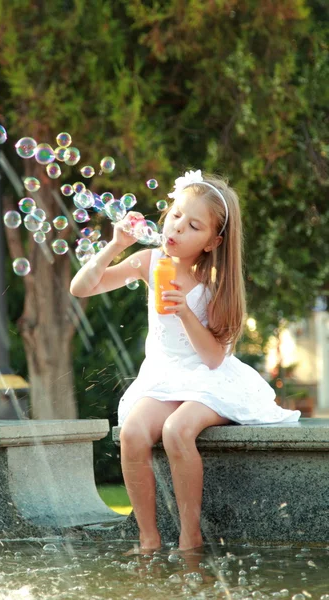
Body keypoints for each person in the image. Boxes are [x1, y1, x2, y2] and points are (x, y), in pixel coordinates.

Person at [70, 169, 301, 552]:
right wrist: (116, 245)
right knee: (131, 434)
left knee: (178, 431)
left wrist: (185, 313)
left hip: (209, 380)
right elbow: (82, 287)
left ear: (213, 241)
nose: (177, 227)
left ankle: (189, 535)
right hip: (164, 377)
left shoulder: (217, 285)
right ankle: (148, 539)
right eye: (176, 215)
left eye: (194, 225)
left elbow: (212, 358)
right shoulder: (150, 261)